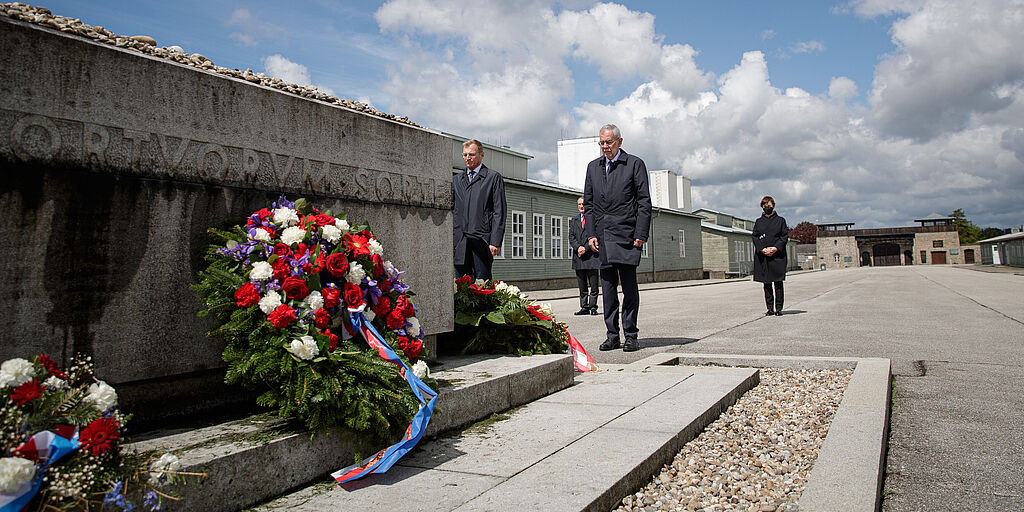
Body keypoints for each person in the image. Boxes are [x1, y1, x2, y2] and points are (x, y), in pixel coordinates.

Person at [584, 124, 652, 352]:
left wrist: (641, 233)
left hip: (627, 235)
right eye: (601, 143)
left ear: (620, 142)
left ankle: (631, 334)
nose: (605, 147)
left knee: (629, 289)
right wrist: (591, 234)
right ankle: (612, 335)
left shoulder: (634, 164)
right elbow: (590, 205)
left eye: (609, 142)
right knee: (608, 289)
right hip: (603, 236)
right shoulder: (593, 167)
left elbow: (644, 202)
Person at [452, 139, 506, 281]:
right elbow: (451, 210)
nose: (467, 158)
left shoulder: (492, 178)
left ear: (481, 155)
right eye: (464, 155)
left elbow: (499, 211)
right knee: (461, 286)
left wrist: (495, 241)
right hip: (460, 242)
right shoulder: (457, 180)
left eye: (471, 154)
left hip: (482, 241)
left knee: (482, 286)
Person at [752, 195, 789, 316]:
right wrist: (762, 249)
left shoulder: (780, 221)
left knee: (778, 283)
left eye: (769, 205)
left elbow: (784, 236)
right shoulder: (758, 222)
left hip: (777, 256)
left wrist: (775, 248)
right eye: (764, 205)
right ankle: (770, 308)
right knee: (766, 283)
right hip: (763, 256)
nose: (766, 207)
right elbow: (755, 236)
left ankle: (779, 308)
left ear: (773, 205)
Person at [568, 196, 601, 316]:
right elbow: (571, 236)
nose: (581, 206)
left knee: (593, 285)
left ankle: (593, 307)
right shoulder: (574, 220)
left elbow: (595, 235)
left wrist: (585, 248)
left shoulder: (593, 219)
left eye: (583, 204)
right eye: (579, 204)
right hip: (579, 257)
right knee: (582, 285)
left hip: (591, 256)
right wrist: (578, 248)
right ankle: (584, 307)